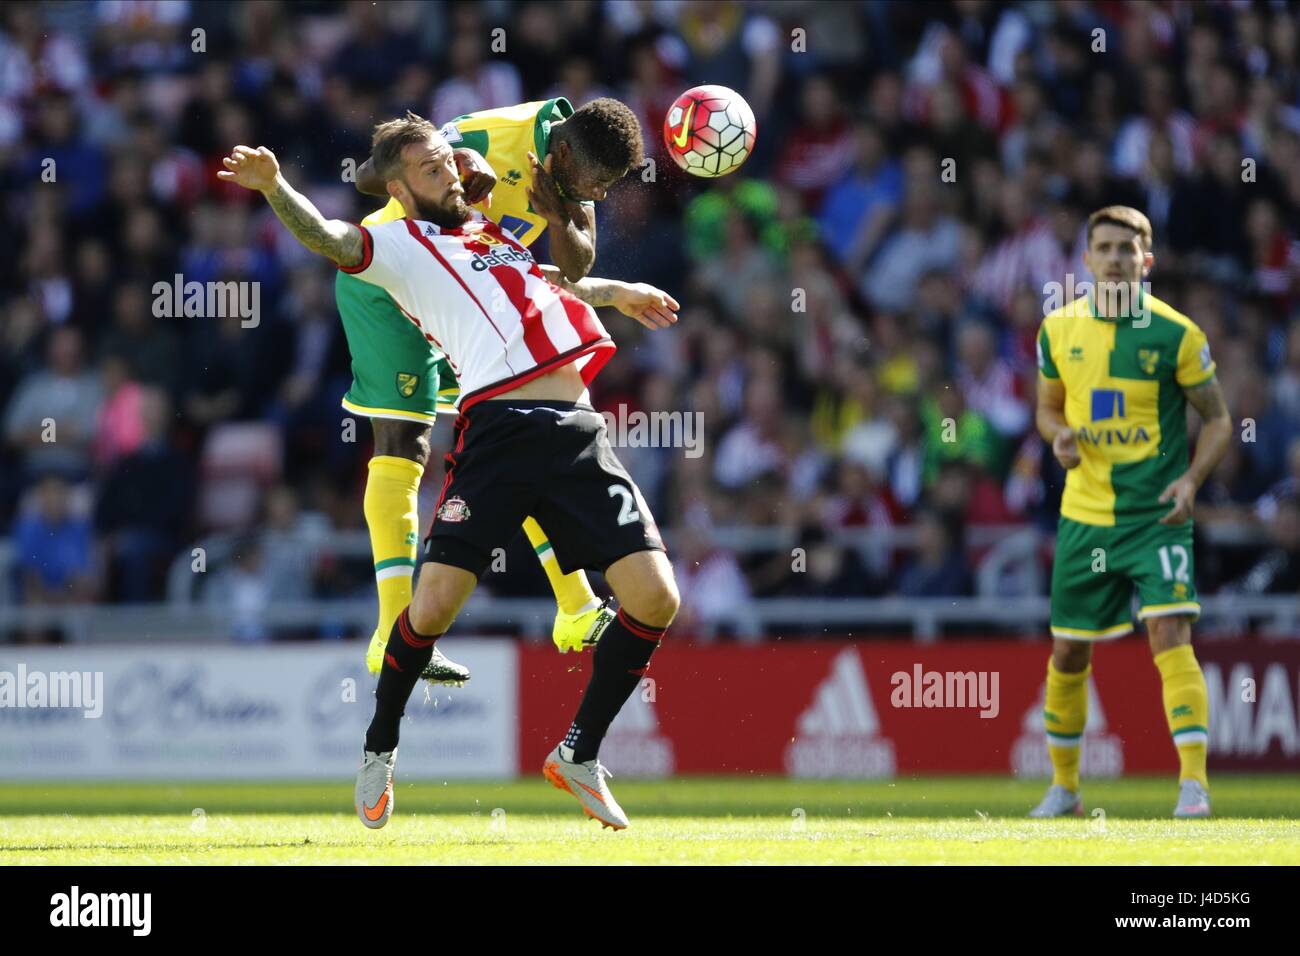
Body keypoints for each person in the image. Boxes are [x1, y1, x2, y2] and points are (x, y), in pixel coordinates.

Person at [219, 113, 680, 830]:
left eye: (446, 158)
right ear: (399, 188)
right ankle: (379, 749)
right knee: (429, 612)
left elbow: (550, 281)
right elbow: (326, 237)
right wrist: (276, 185)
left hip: (577, 428)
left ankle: (578, 755)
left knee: (656, 599)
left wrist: (618, 292)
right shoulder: (395, 246)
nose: (450, 171)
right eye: (432, 168)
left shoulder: (491, 233)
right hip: (498, 430)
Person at [342, 97, 646, 684]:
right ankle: (390, 632)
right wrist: (450, 161)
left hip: (463, 296)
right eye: (597, 183)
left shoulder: (572, 179)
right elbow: (366, 175)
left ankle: (577, 607)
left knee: (521, 421)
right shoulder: (489, 138)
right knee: (403, 442)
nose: (602, 196)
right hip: (388, 278)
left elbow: (575, 265)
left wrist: (559, 213)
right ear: (560, 152)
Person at [1032, 206, 1232, 819]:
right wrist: (1057, 436)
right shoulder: (1057, 331)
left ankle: (1193, 785)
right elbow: (1048, 410)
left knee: (1169, 633)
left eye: (1128, 248)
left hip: (1154, 517)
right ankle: (1065, 789)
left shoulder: (1177, 334)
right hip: (1084, 517)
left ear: (1148, 261)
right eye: (1105, 248)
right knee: (1069, 651)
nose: (1116, 258)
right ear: (1087, 260)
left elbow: (1220, 420)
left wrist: (1192, 480)